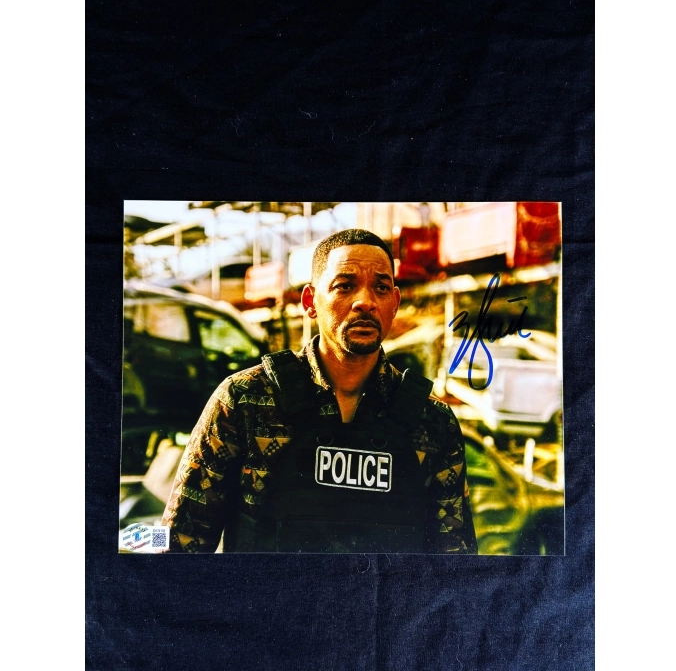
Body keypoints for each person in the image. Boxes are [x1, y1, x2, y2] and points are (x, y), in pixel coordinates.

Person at [161, 229, 478, 553]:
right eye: (345, 286)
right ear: (310, 302)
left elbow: (456, 561)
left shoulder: (431, 420)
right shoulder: (245, 400)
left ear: (394, 303)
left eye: (381, 288)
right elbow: (176, 547)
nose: (365, 302)